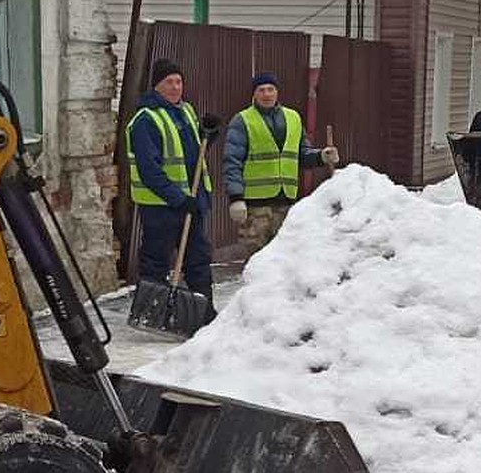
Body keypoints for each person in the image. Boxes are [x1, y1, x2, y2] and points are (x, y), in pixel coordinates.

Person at [126, 58, 220, 309]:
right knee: (156, 261)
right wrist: (179, 199)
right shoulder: (145, 120)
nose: (175, 87)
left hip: (190, 202)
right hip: (161, 207)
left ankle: (204, 311)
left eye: (179, 81)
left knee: (198, 259)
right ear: (157, 86)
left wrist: (209, 133)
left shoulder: (185, 111)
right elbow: (150, 170)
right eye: (169, 82)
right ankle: (152, 311)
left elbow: (194, 153)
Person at [223, 72, 339, 246]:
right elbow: (232, 162)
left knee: (283, 263)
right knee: (257, 261)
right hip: (256, 207)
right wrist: (236, 198)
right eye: (261, 90)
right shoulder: (242, 121)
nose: (267, 94)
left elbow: (301, 154)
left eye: (271, 89)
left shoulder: (293, 118)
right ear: (254, 94)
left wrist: (321, 156)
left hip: (286, 204)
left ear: (277, 92)